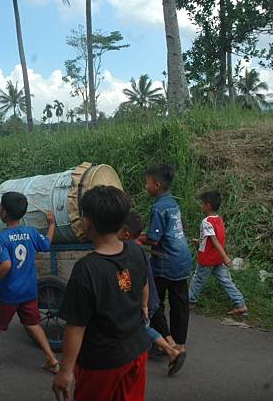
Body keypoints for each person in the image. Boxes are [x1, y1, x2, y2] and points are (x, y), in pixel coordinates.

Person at [52, 186, 150, 401]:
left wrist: (66, 370)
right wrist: (142, 308)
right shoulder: (135, 250)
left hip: (102, 362)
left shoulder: (86, 269)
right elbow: (143, 286)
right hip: (137, 350)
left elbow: (76, 325)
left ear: (87, 222)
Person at [0, 192, 59, 372]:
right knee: (33, 324)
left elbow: (5, 265)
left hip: (8, 293)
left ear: (3, 212)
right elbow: (46, 244)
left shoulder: (2, 238)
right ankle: (51, 358)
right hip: (28, 291)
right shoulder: (31, 233)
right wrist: (52, 225)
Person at [118, 212, 186, 377]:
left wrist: (139, 303)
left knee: (142, 328)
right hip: (149, 296)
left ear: (126, 234)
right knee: (148, 326)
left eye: (117, 229)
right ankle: (172, 348)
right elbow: (145, 280)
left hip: (141, 300)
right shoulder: (140, 250)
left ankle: (171, 351)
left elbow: (125, 283)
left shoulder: (126, 254)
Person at [138, 164, 192, 355]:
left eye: (148, 183)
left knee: (154, 303)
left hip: (166, 262)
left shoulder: (159, 207)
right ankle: (180, 343)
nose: (146, 187)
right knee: (180, 305)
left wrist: (136, 239)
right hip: (182, 260)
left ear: (157, 185)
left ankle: (163, 343)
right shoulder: (171, 203)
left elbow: (154, 238)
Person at [188, 191, 248, 316]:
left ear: (208, 206)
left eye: (202, 204)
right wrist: (199, 242)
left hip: (208, 259)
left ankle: (190, 301)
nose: (201, 206)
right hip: (218, 259)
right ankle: (241, 304)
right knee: (226, 281)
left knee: (198, 279)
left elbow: (214, 240)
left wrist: (226, 257)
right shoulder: (219, 219)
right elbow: (213, 239)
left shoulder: (207, 221)